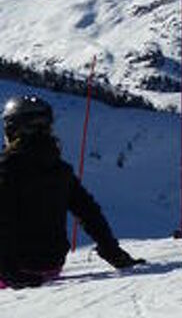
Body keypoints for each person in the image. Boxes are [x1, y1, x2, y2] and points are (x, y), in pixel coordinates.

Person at [0, 95, 144, 289]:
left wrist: (8, 271)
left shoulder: (6, 169)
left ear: (12, 130)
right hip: (51, 266)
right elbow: (89, 212)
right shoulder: (60, 169)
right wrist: (113, 253)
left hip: (15, 272)